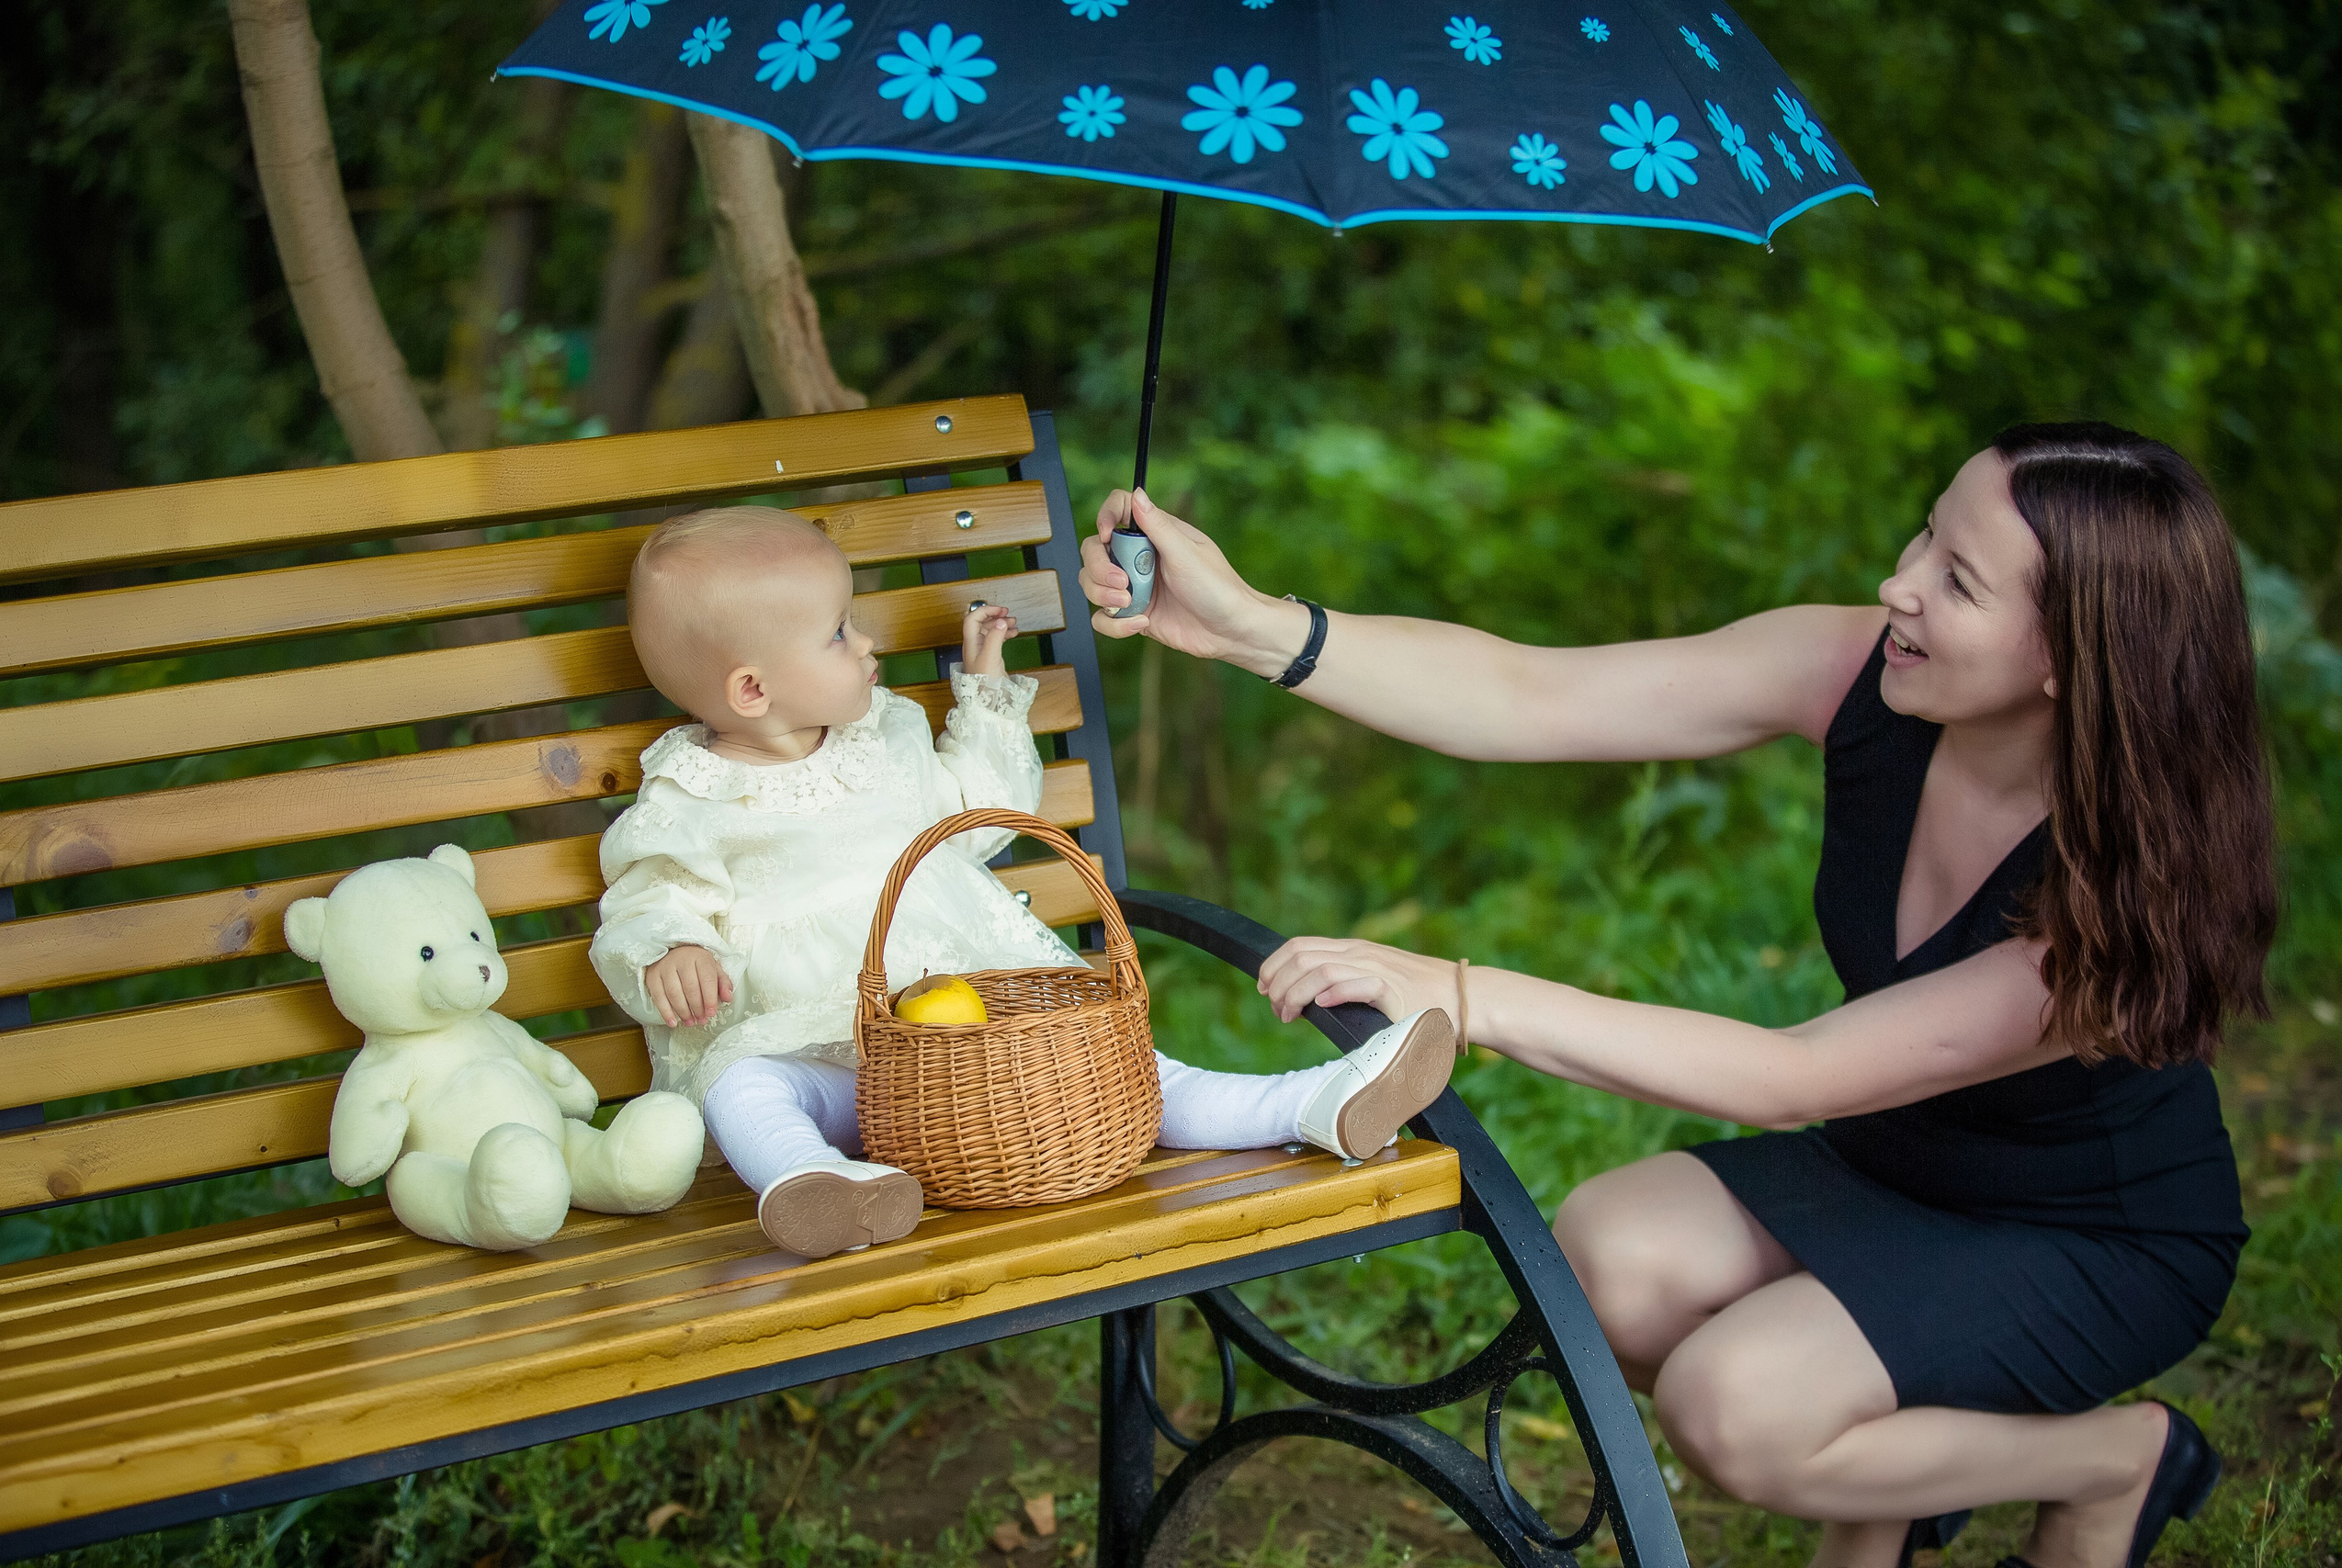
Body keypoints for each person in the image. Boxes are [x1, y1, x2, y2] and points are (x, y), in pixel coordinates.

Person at [1078, 423, 2274, 1568]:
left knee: (1738, 1404)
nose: (1898, 582)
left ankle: (2112, 1461)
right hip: (1893, 1163)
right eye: (1922, 537)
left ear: (2073, 654)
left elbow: (1786, 1075)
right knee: (1610, 1256)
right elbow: (1532, 695)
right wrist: (1250, 628)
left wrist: (1460, 989)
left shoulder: (2111, 899)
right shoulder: (1864, 667)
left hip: (2092, 1232)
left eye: (1957, 580)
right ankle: (1895, 1493)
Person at [589, 507, 1456, 1259]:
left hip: (983, 1056)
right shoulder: (690, 794)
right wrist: (673, 949)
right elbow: (646, 896)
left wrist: (986, 689)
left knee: (1131, 1075)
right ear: (751, 688)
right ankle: (814, 1180)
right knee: (744, 1085)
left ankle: (1313, 1100)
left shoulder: (883, 736)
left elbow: (987, 815)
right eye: (839, 634)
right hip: (830, 1063)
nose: (869, 642)